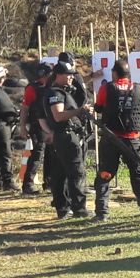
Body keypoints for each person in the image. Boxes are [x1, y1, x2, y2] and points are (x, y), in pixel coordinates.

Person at [93, 59, 140, 221]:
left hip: (111, 139)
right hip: (133, 139)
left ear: (114, 73)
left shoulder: (107, 88)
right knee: (139, 173)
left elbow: (98, 107)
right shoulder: (139, 88)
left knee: (105, 174)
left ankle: (102, 213)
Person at [45, 61, 93, 219]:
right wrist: (79, 111)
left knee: (60, 173)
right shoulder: (55, 93)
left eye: (73, 74)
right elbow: (58, 116)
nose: (72, 77)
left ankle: (63, 208)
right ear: (58, 75)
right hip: (65, 136)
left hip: (66, 136)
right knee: (76, 172)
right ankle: (79, 208)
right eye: (68, 74)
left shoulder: (63, 93)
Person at [18, 63, 53, 195]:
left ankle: (49, 183)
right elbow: (25, 109)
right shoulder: (32, 89)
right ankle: (28, 184)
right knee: (37, 154)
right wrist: (22, 127)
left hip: (50, 124)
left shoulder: (52, 87)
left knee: (51, 153)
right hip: (37, 125)